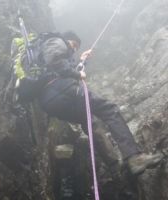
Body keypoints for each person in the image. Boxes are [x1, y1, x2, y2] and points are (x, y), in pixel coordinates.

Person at [8, 30, 163, 175]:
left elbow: (59, 66)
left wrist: (82, 61)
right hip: (63, 90)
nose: (73, 50)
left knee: (89, 122)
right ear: (68, 39)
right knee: (109, 109)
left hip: (49, 102)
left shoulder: (46, 51)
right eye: (74, 46)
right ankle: (133, 157)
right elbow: (55, 60)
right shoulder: (56, 41)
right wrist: (77, 73)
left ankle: (115, 166)